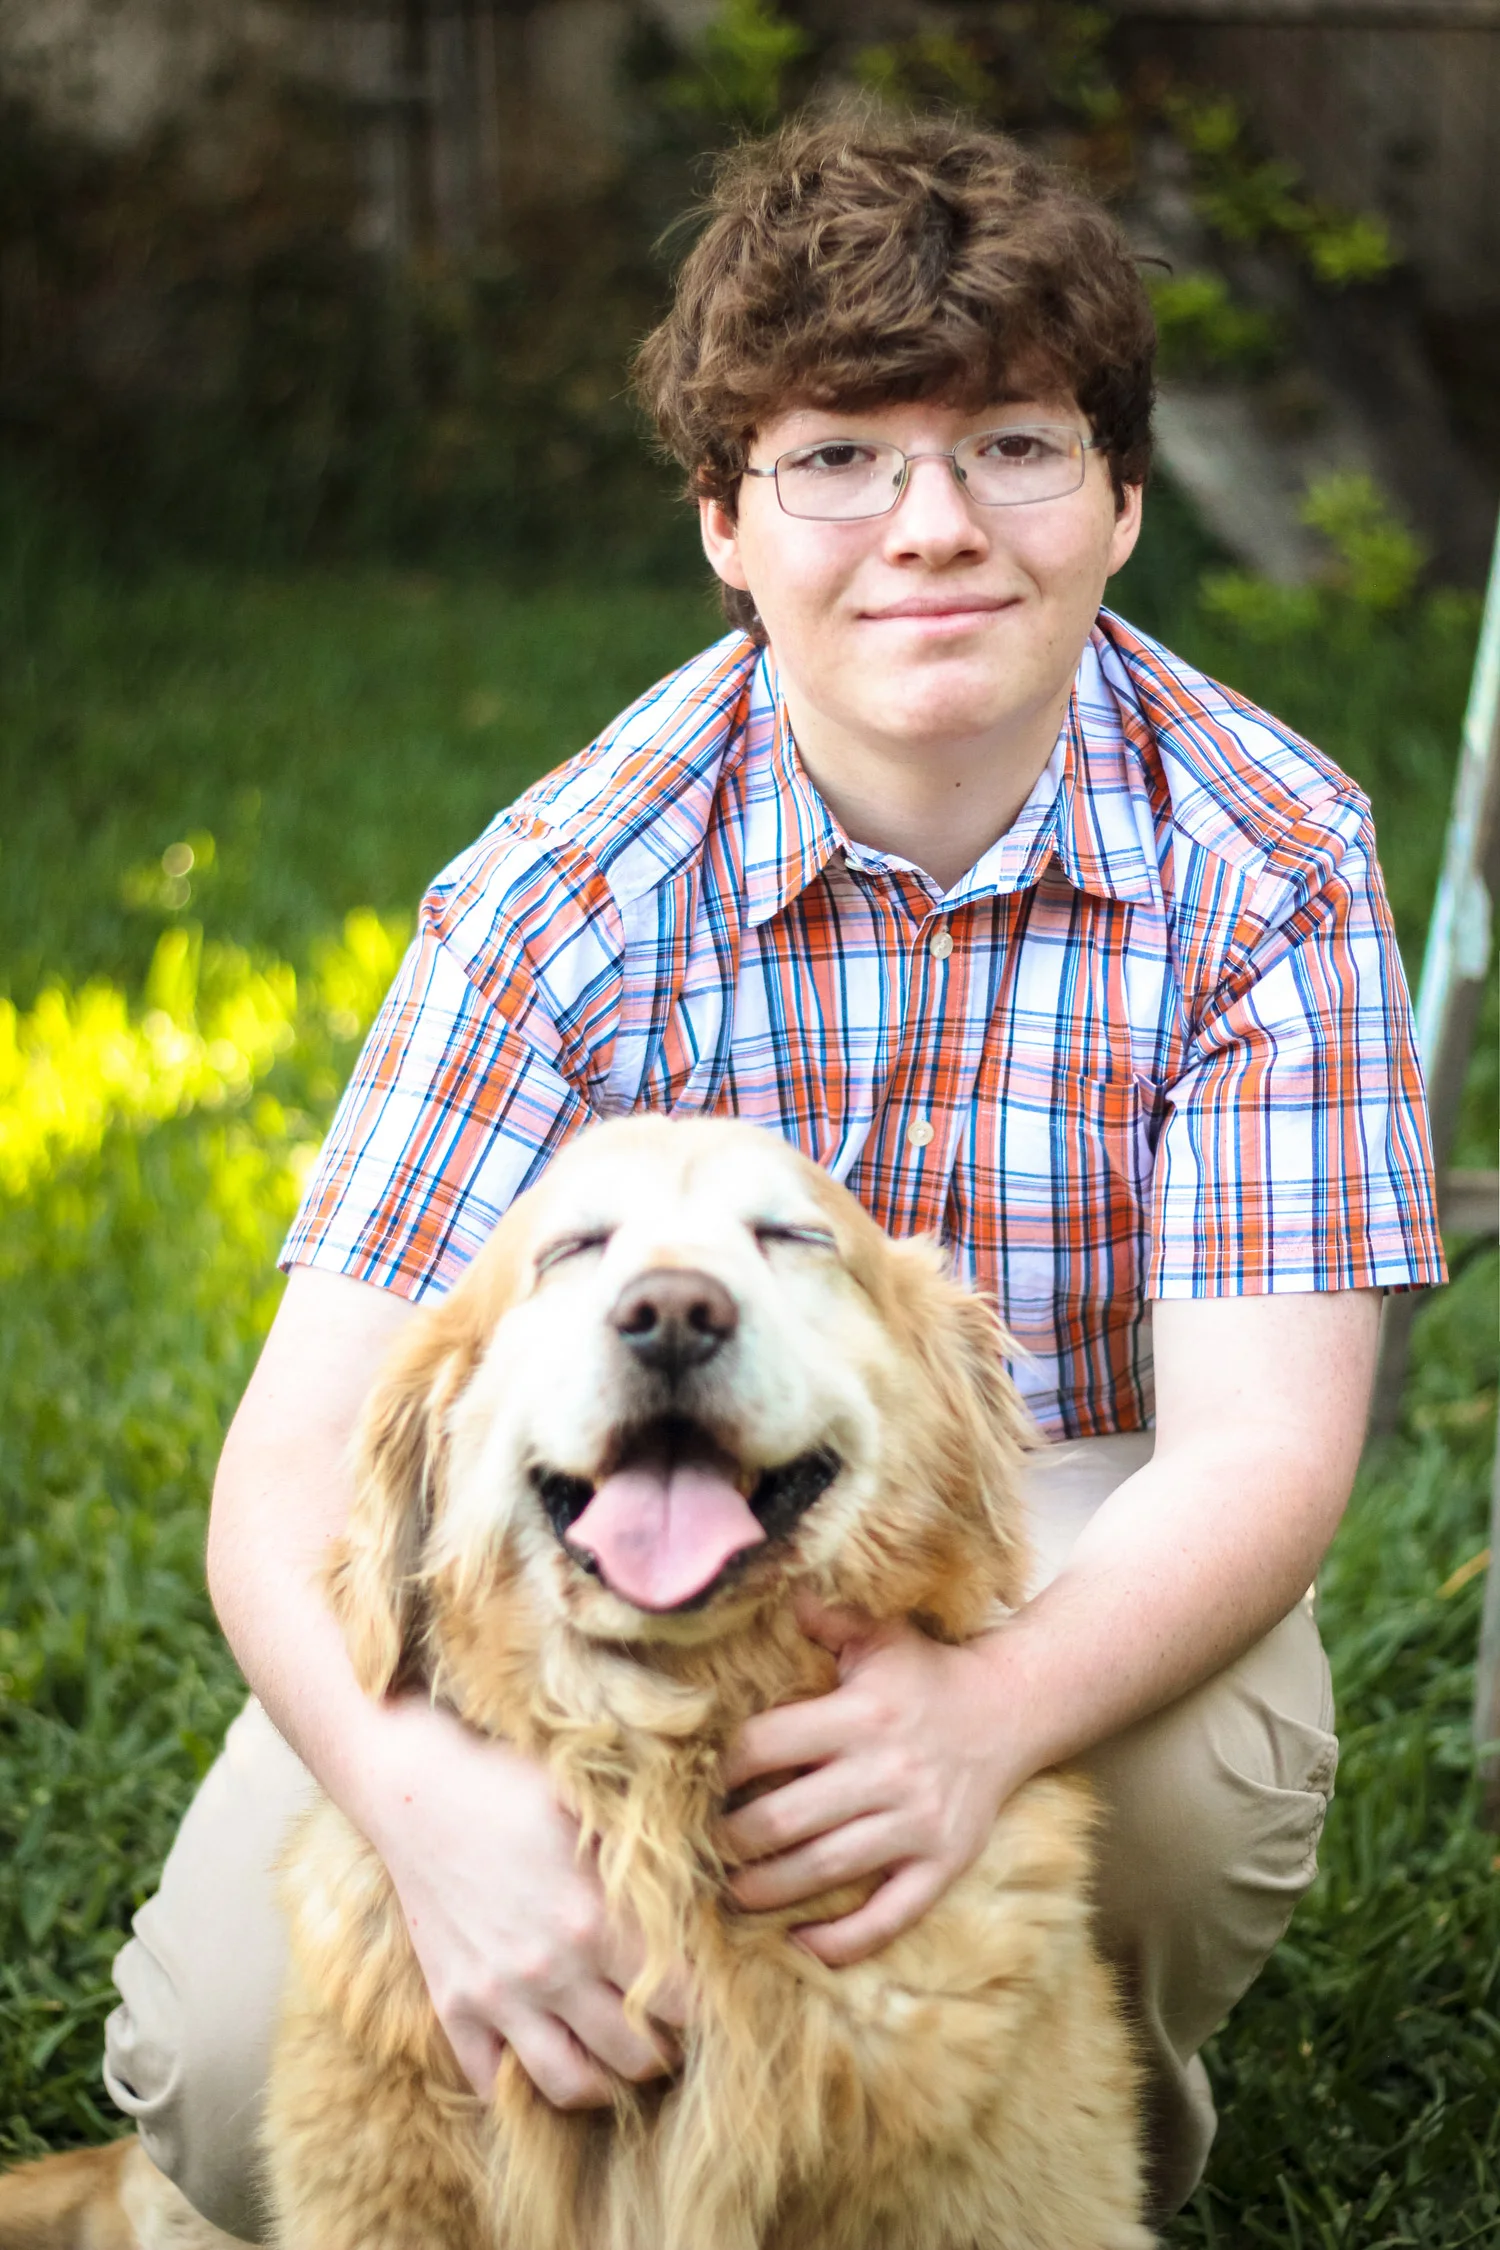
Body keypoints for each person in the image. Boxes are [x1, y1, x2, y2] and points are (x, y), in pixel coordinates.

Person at [100, 108, 1444, 2241]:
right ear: (727, 521)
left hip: (1041, 1495)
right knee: (230, 2088)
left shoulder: (1270, 862)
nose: (931, 525)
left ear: (1117, 499)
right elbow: (285, 1483)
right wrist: (432, 1812)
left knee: (1171, 1806)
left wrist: (985, 1714)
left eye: (1010, 445)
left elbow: (1267, 1454)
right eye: (839, 457)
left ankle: (1002, 2142)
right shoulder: (557, 890)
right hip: (595, 1549)